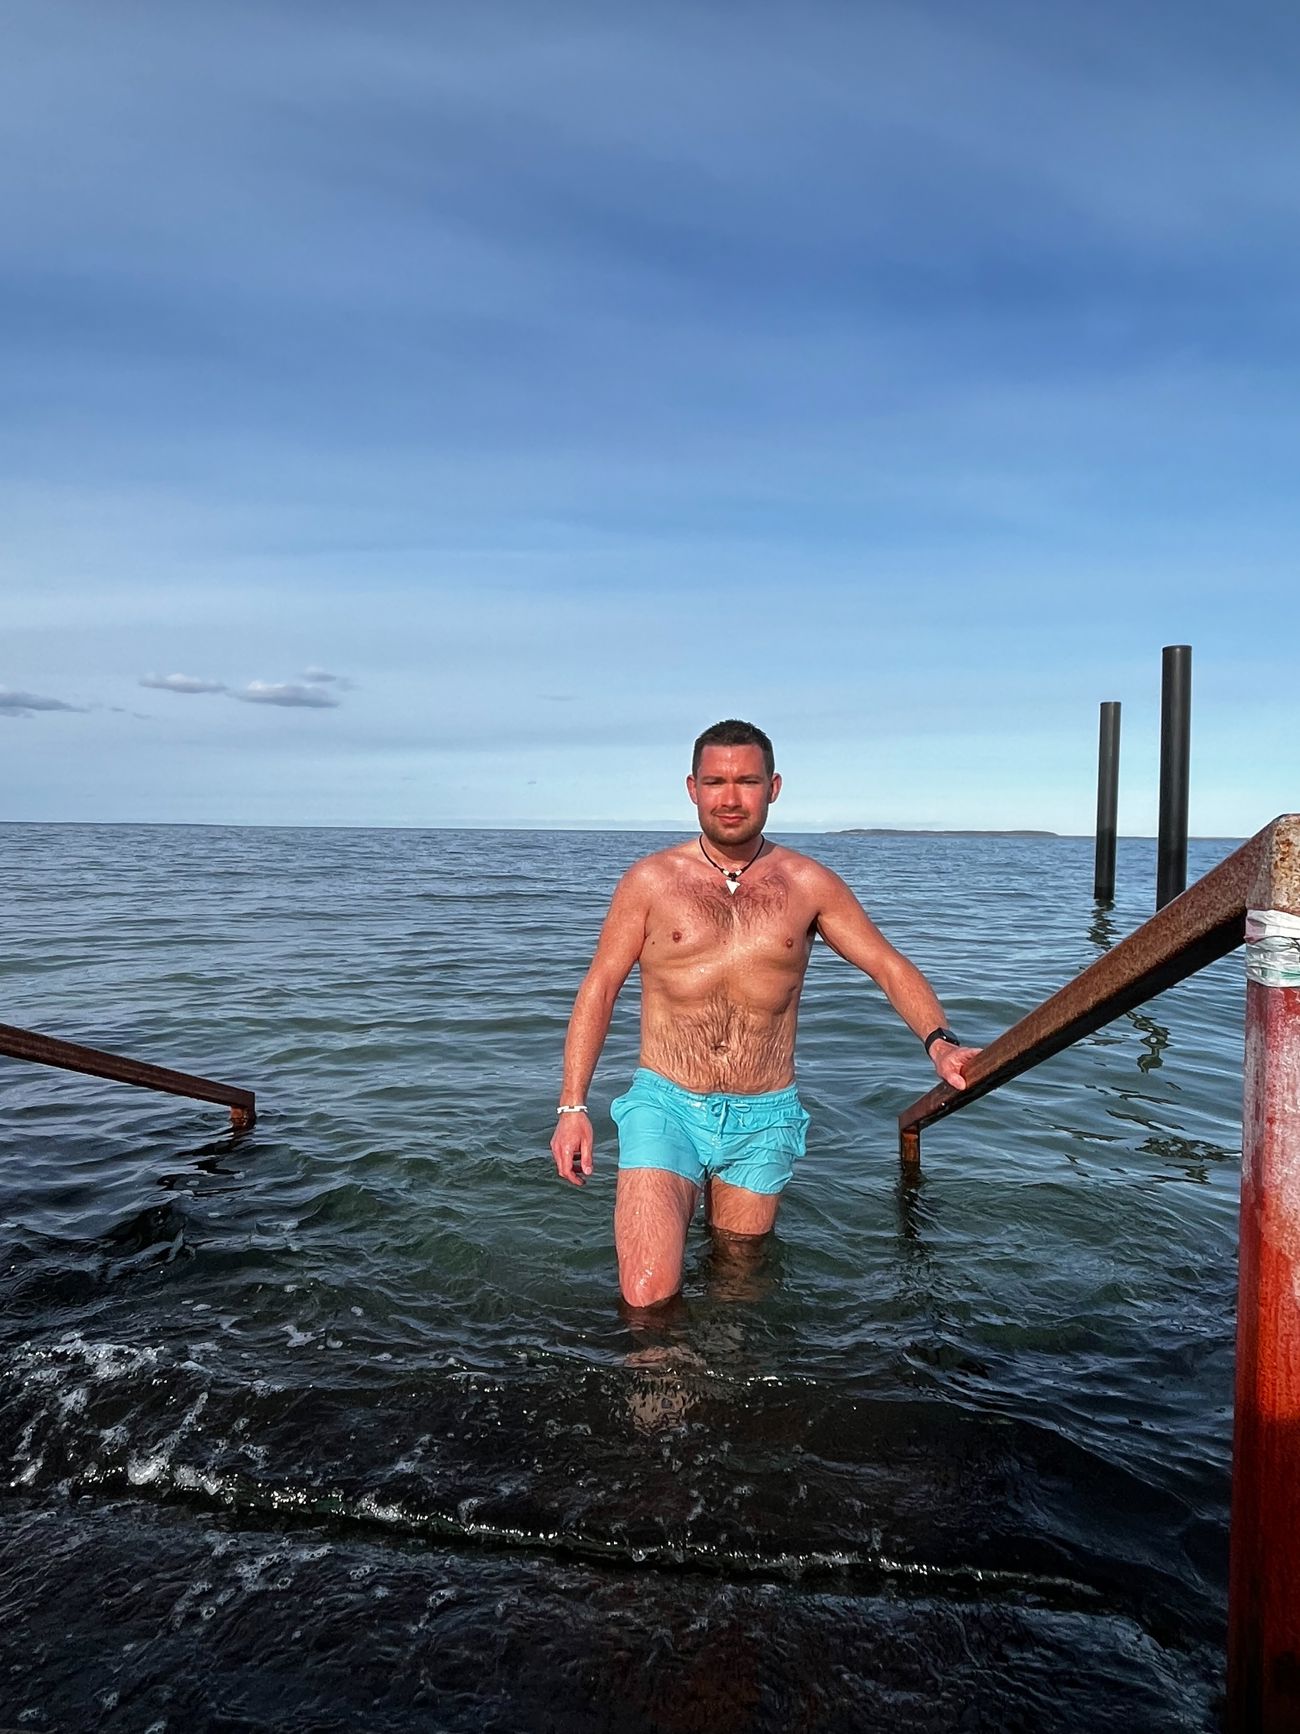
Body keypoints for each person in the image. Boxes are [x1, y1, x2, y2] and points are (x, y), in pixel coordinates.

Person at [549, 720, 980, 1309]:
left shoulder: (808, 884)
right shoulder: (650, 881)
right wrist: (572, 1106)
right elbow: (599, 988)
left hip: (764, 1115)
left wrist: (940, 1042)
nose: (730, 798)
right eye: (715, 782)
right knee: (646, 1295)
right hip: (666, 1104)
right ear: (692, 788)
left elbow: (886, 964)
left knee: (737, 1288)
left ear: (773, 788)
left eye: (747, 782)